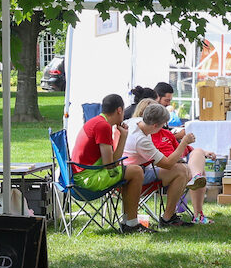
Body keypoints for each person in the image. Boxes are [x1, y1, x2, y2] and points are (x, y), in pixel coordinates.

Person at [72, 93, 148, 234]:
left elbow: (112, 161)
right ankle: (131, 224)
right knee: (136, 171)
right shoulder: (103, 126)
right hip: (87, 180)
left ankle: (128, 221)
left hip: (81, 175)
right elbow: (110, 165)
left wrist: (123, 136)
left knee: (130, 172)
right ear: (119, 110)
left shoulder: (98, 122)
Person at [124, 100, 199, 227]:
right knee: (181, 171)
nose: (163, 128)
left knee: (183, 169)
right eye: (162, 125)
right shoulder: (141, 139)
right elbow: (168, 164)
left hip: (133, 168)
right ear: (155, 126)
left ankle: (169, 216)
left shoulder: (133, 122)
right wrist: (184, 142)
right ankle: (167, 218)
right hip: (135, 175)